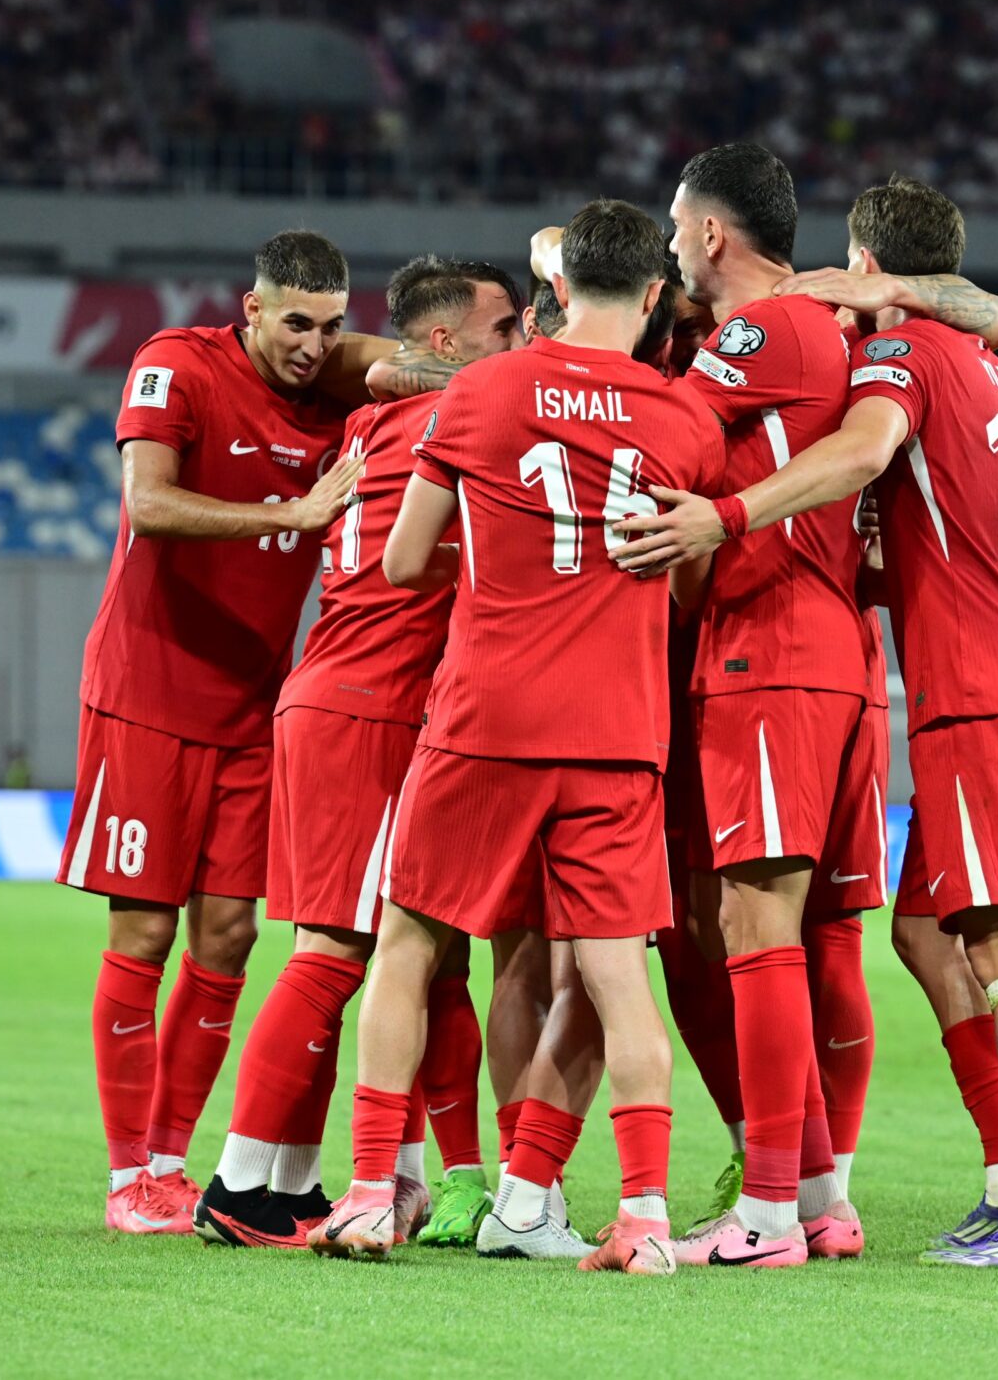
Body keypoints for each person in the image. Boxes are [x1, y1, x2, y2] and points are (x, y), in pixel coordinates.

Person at [616, 175, 998, 1266]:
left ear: (871, 268)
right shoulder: (996, 370)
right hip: (994, 672)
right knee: (925, 936)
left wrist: (725, 515)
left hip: (975, 685)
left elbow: (864, 450)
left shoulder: (903, 359)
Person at [315, 198, 724, 1275]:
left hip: (482, 718)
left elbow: (404, 564)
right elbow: (686, 578)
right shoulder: (683, 419)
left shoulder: (482, 390)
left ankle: (366, 1194)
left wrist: (506, 566)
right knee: (615, 978)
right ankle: (641, 1216)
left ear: (553, 294)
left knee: (407, 950)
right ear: (649, 296)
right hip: (615, 730)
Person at [63, 229, 420, 1237]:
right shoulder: (176, 363)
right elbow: (148, 502)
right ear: (251, 309)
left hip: (254, 709)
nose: (313, 345)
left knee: (229, 935)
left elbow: (406, 365)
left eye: (331, 326)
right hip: (145, 693)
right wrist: (296, 513)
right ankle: (128, 1173)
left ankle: (174, 1167)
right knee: (144, 930)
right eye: (294, 322)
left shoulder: (336, 383)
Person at [197, 254, 527, 1251]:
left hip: (333, 701)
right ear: (444, 343)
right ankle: (239, 1183)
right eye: (503, 329)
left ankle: (365, 1178)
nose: (517, 345)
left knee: (420, 960)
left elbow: (371, 377)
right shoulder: (452, 422)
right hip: (372, 715)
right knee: (336, 952)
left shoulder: (371, 420)